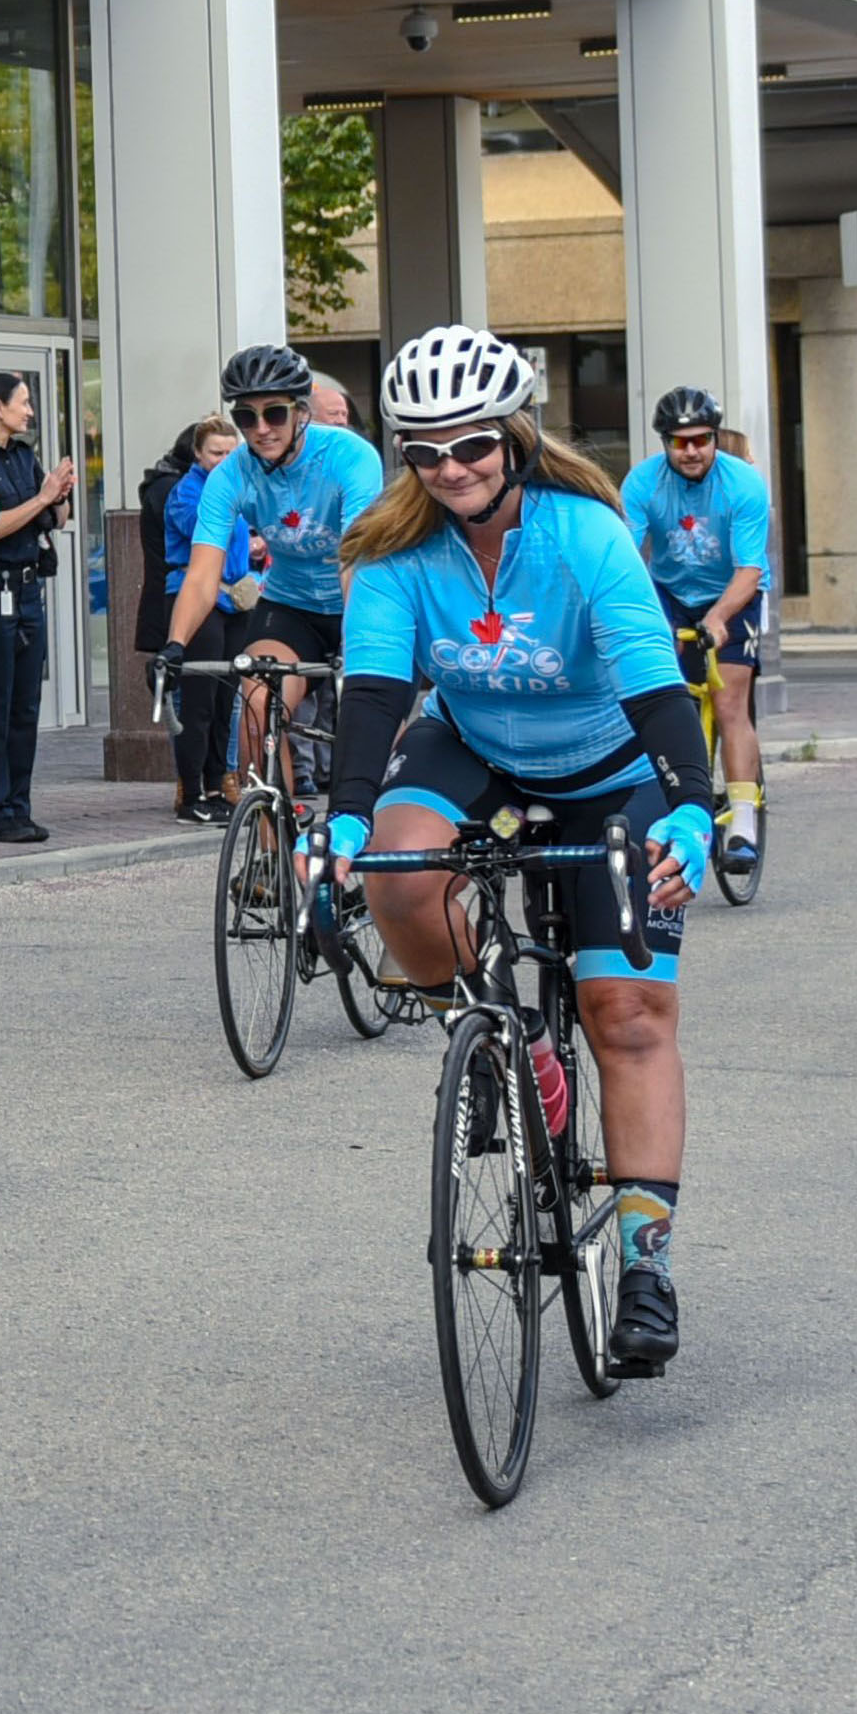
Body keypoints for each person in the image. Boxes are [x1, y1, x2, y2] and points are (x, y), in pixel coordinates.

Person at [324, 324, 713, 1380]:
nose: (452, 469)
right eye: (427, 450)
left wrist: (689, 806)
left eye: (474, 446)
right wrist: (346, 813)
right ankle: (511, 1045)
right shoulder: (395, 550)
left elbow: (649, 677)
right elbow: (372, 690)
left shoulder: (584, 532)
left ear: (516, 434)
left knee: (625, 1012)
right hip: (479, 750)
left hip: (612, 763)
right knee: (395, 871)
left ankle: (644, 1264)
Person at [165, 344, 384, 947]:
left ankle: (359, 837)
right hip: (289, 603)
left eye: (275, 414)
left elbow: (356, 556)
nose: (260, 429)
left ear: (301, 412)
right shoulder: (230, 473)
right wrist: (175, 645)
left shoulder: (349, 458)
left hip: (361, 594)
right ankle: (273, 854)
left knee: (369, 722)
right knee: (258, 704)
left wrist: (362, 644)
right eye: (246, 416)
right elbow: (204, 571)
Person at [619, 385, 775, 885]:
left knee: (729, 701)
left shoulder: (743, 485)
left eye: (701, 440)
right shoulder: (642, 482)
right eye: (680, 442)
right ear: (665, 442)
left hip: (734, 590)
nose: (692, 451)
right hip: (669, 591)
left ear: (714, 437)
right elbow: (625, 557)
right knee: (665, 699)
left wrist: (718, 619)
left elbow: (750, 569)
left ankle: (743, 827)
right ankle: (669, 806)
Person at [0, 371, 68, 842]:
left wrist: (58, 495)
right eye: (22, 403)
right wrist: (42, 498)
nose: (29, 411)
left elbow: (52, 518)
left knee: (26, 704)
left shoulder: (26, 456)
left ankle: (19, 805)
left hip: (29, 587)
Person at [151, 413, 239, 815]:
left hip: (236, 600)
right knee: (198, 704)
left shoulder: (240, 488)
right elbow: (200, 528)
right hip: (194, 596)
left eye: (230, 453)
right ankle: (190, 794)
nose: (223, 459)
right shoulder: (186, 492)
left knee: (225, 703)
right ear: (199, 454)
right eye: (215, 452)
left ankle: (217, 786)